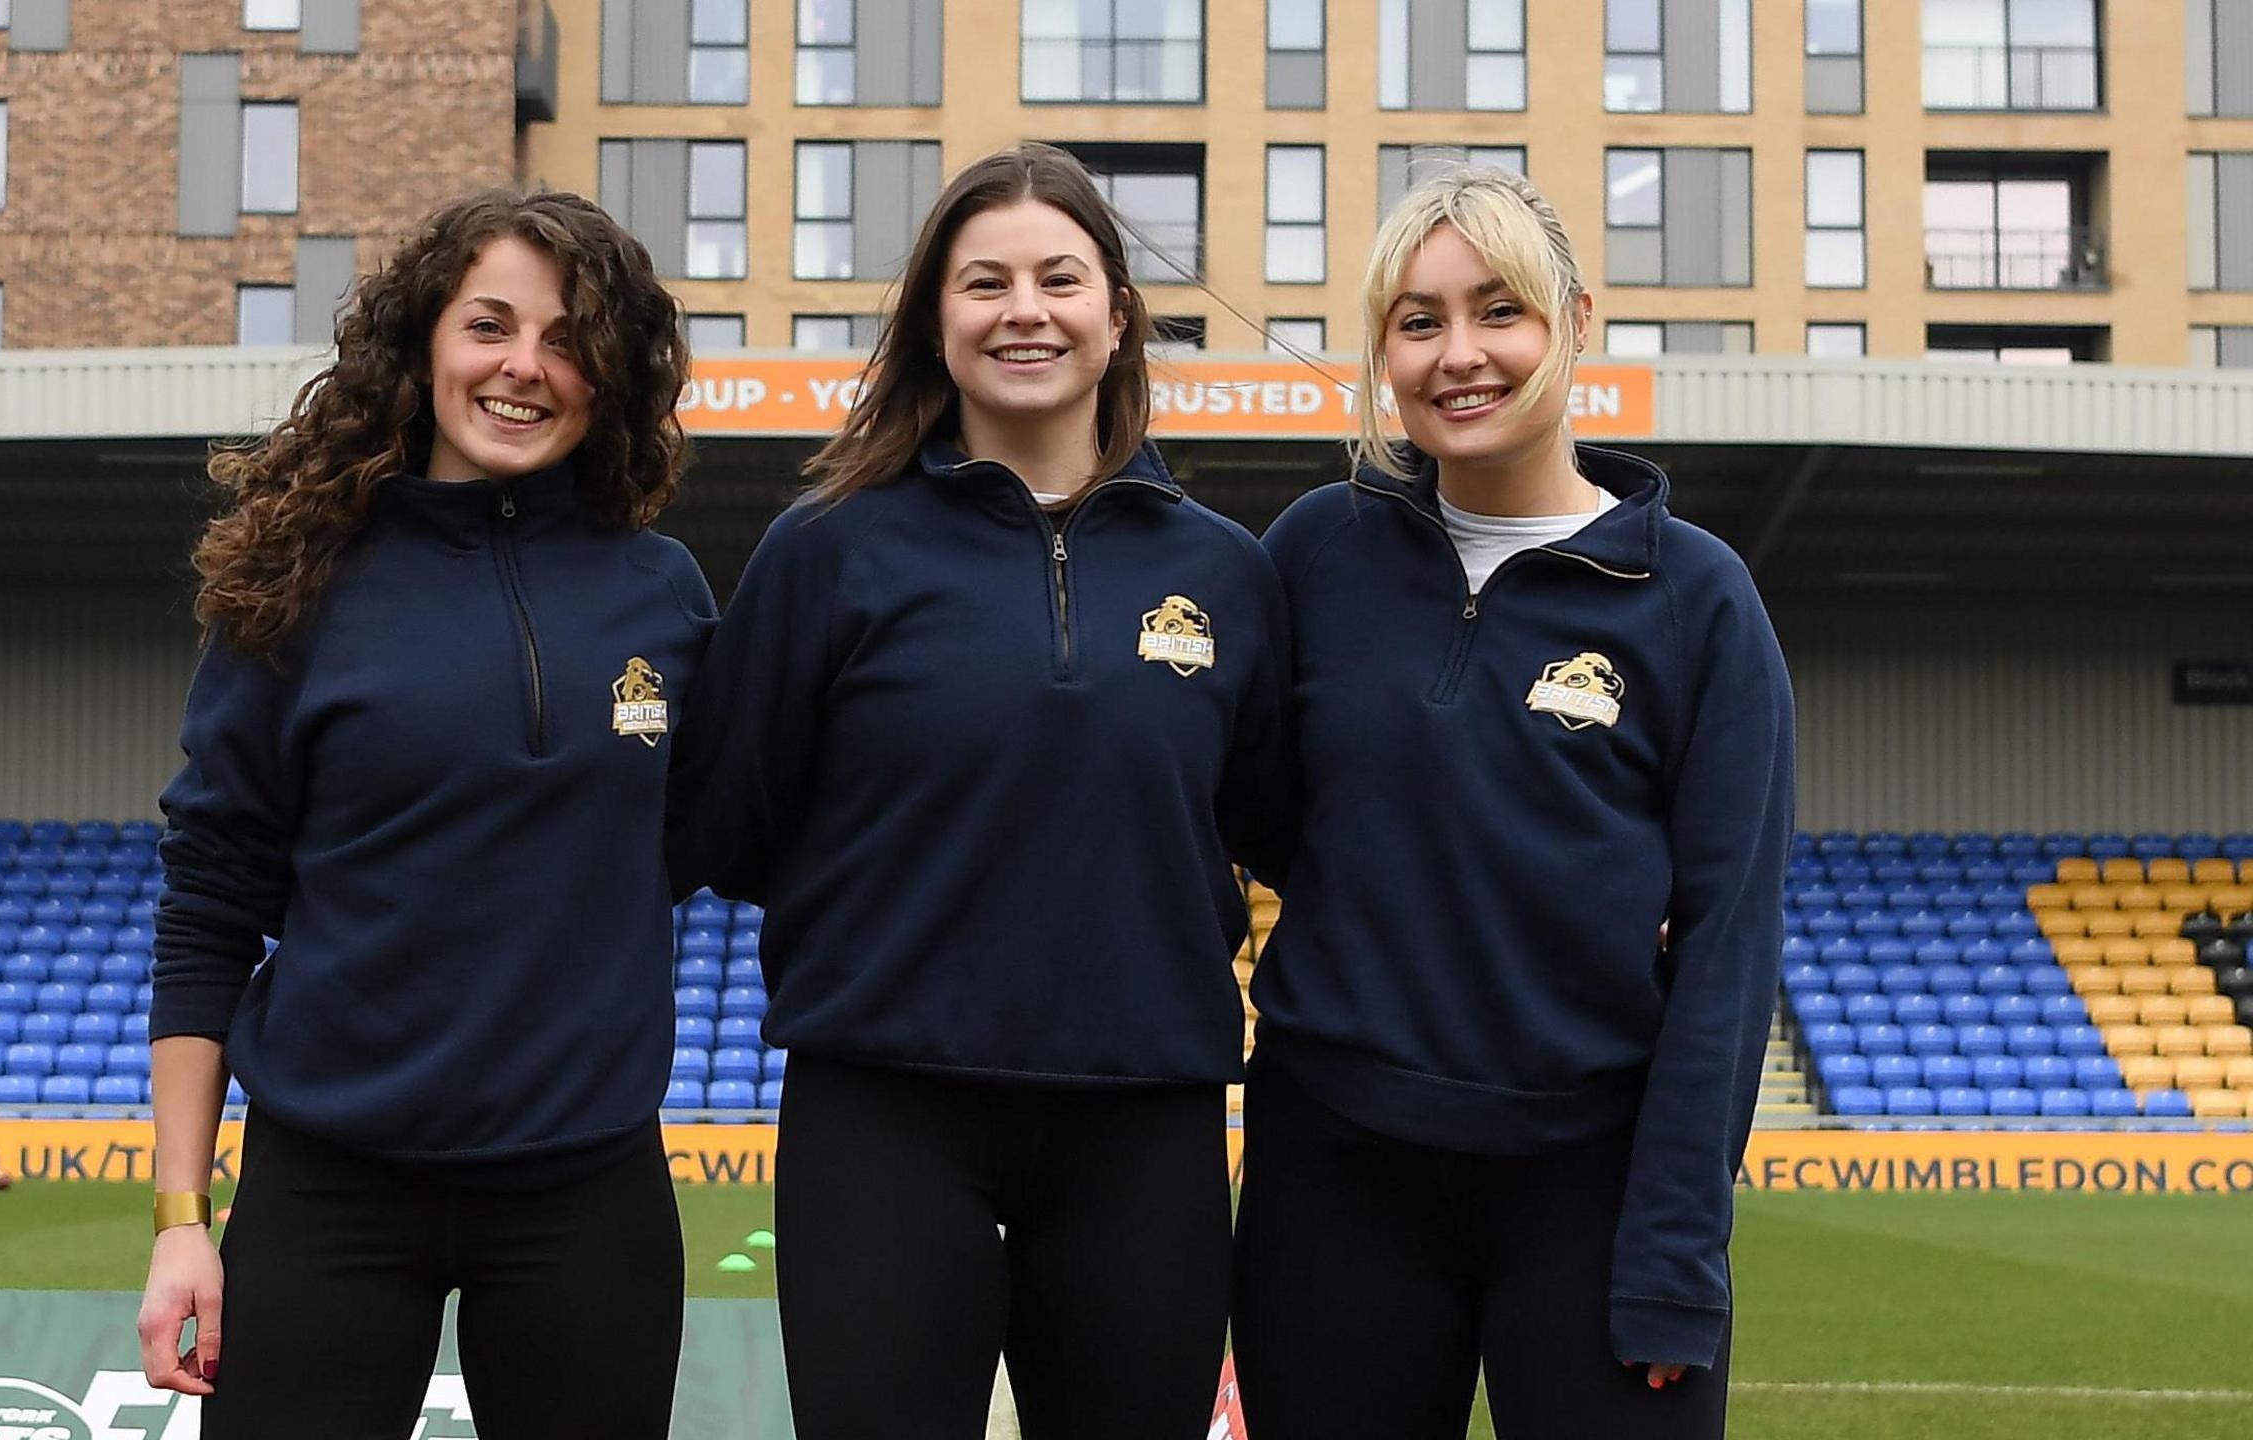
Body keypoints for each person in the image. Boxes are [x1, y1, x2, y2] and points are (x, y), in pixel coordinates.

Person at [667, 142, 1290, 1440]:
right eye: (984, 282)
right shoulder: (826, 549)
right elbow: (722, 822)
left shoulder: (1227, 574)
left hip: (1145, 1121)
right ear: (934, 323)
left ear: (1118, 316)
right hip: (885, 1118)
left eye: (1060, 278)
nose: (1025, 310)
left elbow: (1282, 820)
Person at [134, 187, 713, 1437]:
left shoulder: (662, 593)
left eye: (567, 340)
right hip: (330, 1188)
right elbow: (210, 906)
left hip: (587, 1189)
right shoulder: (298, 585)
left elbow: (720, 828)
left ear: (608, 377)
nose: (524, 367)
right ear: (423, 345)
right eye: (489, 326)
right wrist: (183, 1224)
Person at [1231, 167, 1794, 1439]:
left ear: (1576, 322)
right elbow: (1237, 803)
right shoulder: (1315, 552)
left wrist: (1674, 1258)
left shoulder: (1697, 600)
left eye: (1500, 311)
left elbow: (1727, 949)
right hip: (1333, 1180)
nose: (1459, 355)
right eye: (1417, 321)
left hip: (1588, 1196)